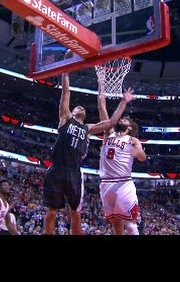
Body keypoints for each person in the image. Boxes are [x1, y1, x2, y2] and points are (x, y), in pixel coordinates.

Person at [42, 69, 135, 235]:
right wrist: (66, 71)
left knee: (75, 212)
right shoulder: (65, 118)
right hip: (56, 169)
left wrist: (120, 99)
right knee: (51, 211)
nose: (80, 107)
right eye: (77, 107)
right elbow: (66, 91)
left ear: (84, 116)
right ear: (73, 112)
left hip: (74, 172)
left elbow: (112, 121)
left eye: (82, 108)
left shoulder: (88, 128)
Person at [97, 79, 146, 235]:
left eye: (126, 120)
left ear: (130, 128)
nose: (123, 119)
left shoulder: (132, 140)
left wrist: (137, 151)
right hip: (106, 184)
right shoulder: (108, 133)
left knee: (131, 225)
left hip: (123, 183)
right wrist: (101, 83)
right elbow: (101, 106)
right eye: (122, 118)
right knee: (116, 226)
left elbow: (142, 157)